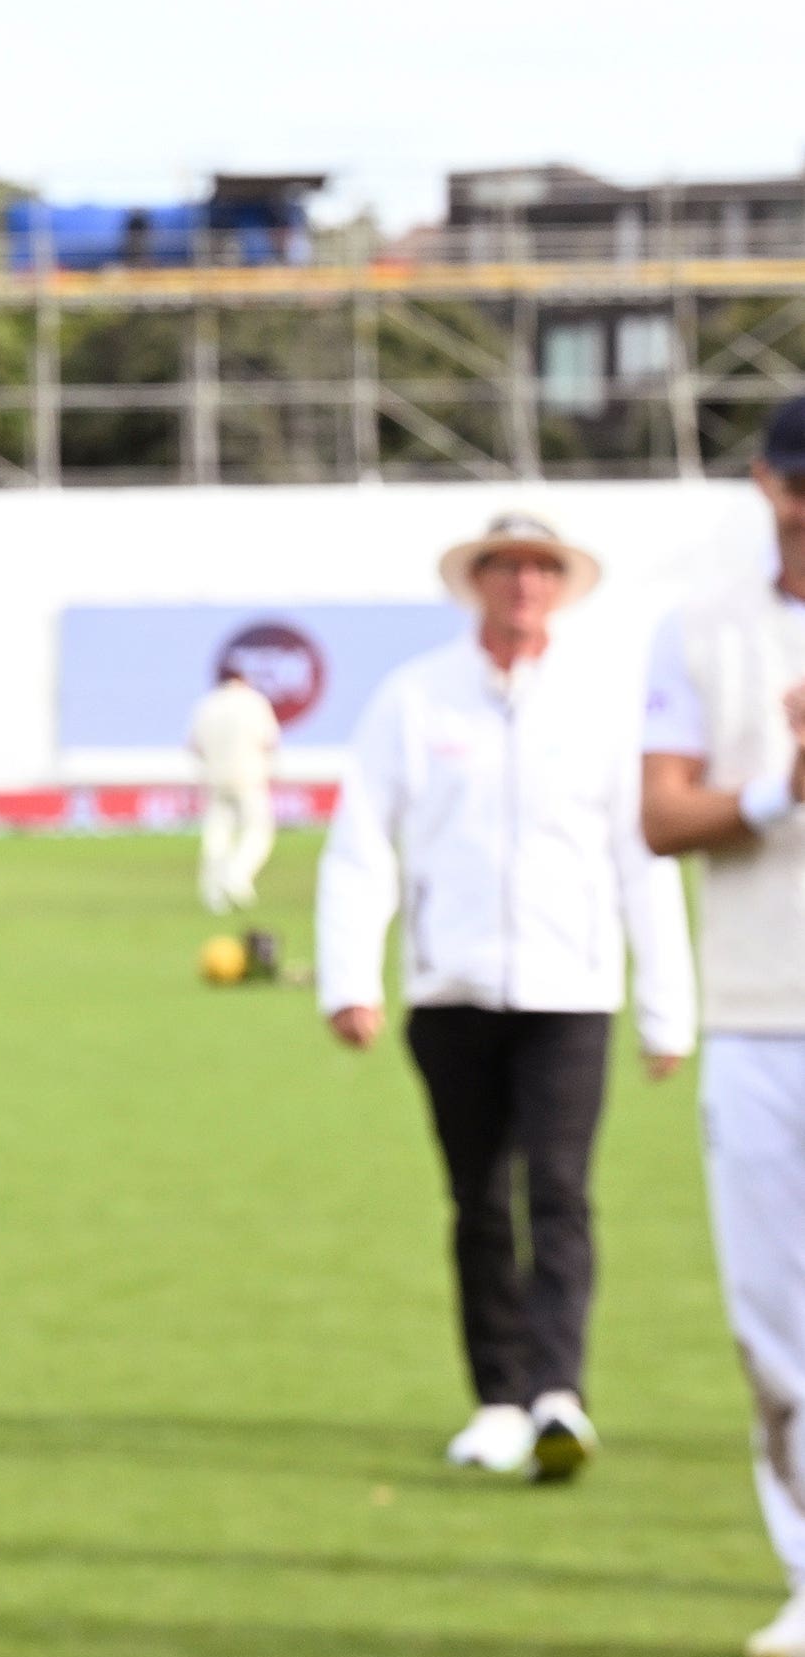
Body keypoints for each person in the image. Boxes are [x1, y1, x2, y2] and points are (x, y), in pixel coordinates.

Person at [317, 513, 693, 1480]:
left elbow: (641, 859)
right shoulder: (417, 698)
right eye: (505, 567)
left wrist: (666, 1004)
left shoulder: (603, 702)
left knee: (560, 1191)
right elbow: (364, 843)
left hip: (571, 991)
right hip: (453, 989)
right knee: (478, 1199)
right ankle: (496, 1398)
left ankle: (558, 1394)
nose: (523, 584)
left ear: (561, 586)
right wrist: (350, 975)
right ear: (476, 581)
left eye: (540, 568)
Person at [641, 394, 805, 1657]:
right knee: (775, 1326)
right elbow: (661, 814)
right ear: (764, 480)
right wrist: (778, 789)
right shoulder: (700, 625)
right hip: (757, 1016)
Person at [187, 662, 281, 913]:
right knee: (258, 831)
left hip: (215, 778)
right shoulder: (254, 702)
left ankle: (213, 894)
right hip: (249, 777)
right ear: (242, 678)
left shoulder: (207, 705)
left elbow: (194, 746)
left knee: (217, 836)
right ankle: (236, 875)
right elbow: (269, 741)